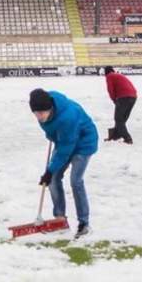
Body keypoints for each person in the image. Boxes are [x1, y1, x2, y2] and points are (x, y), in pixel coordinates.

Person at [29, 88, 98, 239]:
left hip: (84, 144)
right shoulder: (44, 108)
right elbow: (57, 136)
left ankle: (84, 223)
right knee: (53, 180)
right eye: (36, 113)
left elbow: (66, 149)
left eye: (42, 113)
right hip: (65, 141)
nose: (39, 116)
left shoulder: (67, 117)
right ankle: (60, 219)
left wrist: (49, 170)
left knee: (76, 181)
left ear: (50, 108)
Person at [102, 66, 137, 144]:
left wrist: (114, 100)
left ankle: (127, 138)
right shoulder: (119, 75)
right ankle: (115, 135)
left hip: (123, 97)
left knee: (118, 119)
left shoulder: (109, 76)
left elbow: (110, 90)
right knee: (122, 118)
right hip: (133, 96)